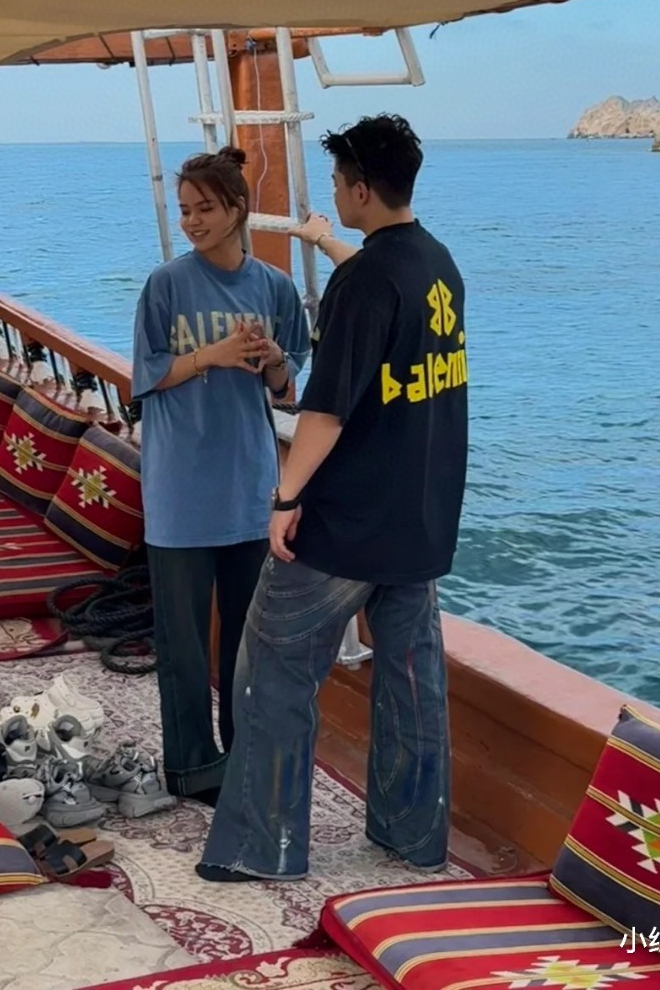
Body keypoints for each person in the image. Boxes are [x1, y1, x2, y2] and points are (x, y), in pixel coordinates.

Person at [197, 113, 468, 883]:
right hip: (420, 519)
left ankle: (263, 848)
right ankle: (413, 836)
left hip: (347, 522)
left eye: (340, 184)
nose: (337, 195)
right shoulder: (437, 265)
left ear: (360, 189)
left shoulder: (365, 283)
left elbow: (324, 412)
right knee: (412, 684)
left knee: (272, 669)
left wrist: (285, 497)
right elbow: (383, 289)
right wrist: (326, 244)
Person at [132, 145, 310, 806]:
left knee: (246, 641)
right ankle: (189, 769)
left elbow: (288, 386)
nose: (192, 221)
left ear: (237, 209)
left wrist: (269, 358)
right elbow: (147, 375)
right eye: (184, 210)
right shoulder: (166, 285)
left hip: (247, 485)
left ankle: (242, 758)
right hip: (180, 487)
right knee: (182, 644)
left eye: (204, 208)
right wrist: (213, 353)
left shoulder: (275, 288)